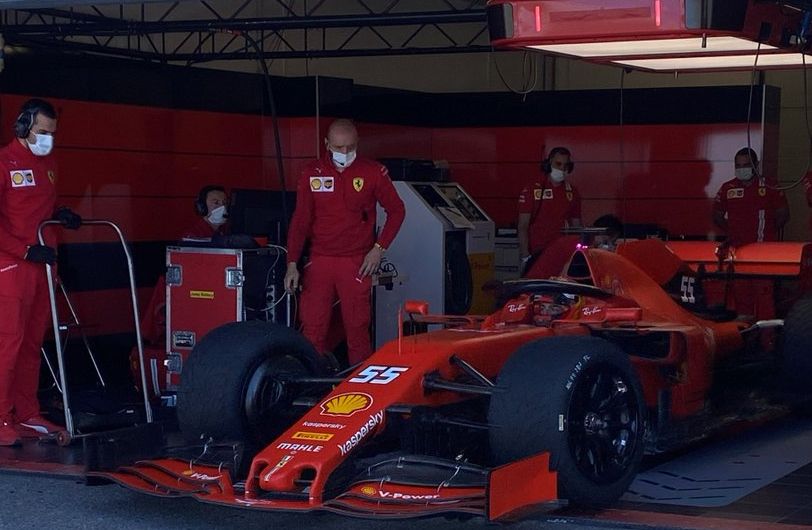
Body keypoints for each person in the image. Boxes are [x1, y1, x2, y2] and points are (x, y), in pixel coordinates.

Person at [284, 119, 405, 366]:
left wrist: (378, 249)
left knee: (357, 328)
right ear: (327, 144)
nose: (345, 153)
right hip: (320, 261)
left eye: (350, 147)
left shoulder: (373, 171)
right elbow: (300, 221)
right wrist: (292, 263)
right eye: (339, 148)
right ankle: (311, 388)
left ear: (358, 143)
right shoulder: (311, 173)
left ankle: (361, 390)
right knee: (313, 327)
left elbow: (397, 211)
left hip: (357, 262)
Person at [0, 98, 82, 446]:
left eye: (52, 133)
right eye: (41, 131)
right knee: (9, 343)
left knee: (33, 344)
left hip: (43, 265)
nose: (47, 138)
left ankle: (26, 412)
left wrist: (62, 212)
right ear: (23, 127)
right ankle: (2, 416)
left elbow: (41, 208)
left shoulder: (49, 164)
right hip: (11, 266)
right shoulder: (4, 162)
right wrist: (23, 249)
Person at [517, 146, 582, 276]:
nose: (562, 169)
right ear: (548, 164)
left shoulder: (572, 192)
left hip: (562, 253)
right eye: (558, 164)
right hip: (537, 252)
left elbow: (577, 226)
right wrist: (525, 256)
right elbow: (522, 226)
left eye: (565, 165)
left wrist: (579, 250)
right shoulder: (532, 189)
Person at [712, 147, 789, 246]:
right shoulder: (727, 188)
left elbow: (783, 214)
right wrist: (732, 231)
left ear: (755, 164)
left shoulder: (770, 186)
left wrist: (768, 230)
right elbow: (717, 216)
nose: (742, 169)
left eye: (746, 165)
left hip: (764, 246)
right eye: (738, 166)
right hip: (737, 246)